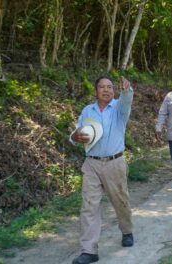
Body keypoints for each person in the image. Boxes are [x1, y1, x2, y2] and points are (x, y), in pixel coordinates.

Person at [70, 76, 134, 264]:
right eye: (102, 87)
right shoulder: (87, 111)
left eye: (110, 87)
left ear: (114, 90)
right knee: (89, 206)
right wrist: (74, 136)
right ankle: (89, 250)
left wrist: (127, 90)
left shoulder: (119, 109)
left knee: (120, 201)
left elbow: (127, 99)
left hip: (115, 163)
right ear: (95, 91)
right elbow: (76, 133)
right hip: (92, 164)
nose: (106, 90)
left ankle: (127, 230)